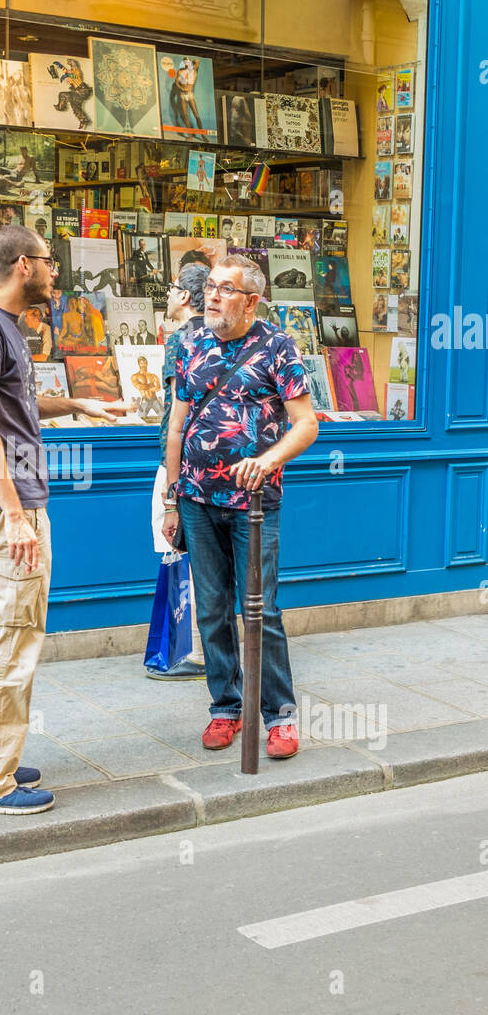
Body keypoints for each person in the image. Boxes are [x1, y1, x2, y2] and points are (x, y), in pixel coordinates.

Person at [0, 225, 130, 814]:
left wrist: (76, 402)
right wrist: (16, 516)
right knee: (9, 637)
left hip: (3, 504)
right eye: (49, 262)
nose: (56, 272)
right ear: (25, 265)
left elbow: (13, 403)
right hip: (7, 506)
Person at [163, 254, 319, 760]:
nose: (212, 296)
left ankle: (281, 717)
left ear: (251, 300)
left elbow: (306, 424)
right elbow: (178, 424)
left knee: (261, 612)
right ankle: (226, 708)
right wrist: (170, 497)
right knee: (211, 611)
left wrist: (267, 460)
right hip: (196, 500)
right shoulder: (191, 343)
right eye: (209, 287)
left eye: (225, 289)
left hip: (254, 503)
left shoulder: (278, 347)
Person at [148, 263, 209, 680]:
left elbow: (177, 415)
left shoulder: (180, 339)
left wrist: (172, 485)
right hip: (210, 461)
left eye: (171, 288)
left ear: (185, 296)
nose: (168, 295)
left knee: (177, 548)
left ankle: (193, 652)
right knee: (205, 556)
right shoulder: (220, 334)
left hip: (180, 460)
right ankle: (209, 648)